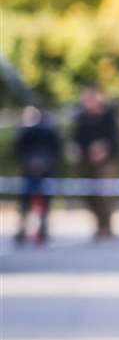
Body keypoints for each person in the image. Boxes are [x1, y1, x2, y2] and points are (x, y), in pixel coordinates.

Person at [72, 86, 119, 240]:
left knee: (105, 194)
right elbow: (77, 138)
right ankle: (98, 224)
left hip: (106, 161)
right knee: (89, 194)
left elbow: (115, 139)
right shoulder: (82, 118)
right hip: (86, 161)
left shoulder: (109, 116)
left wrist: (103, 149)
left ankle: (106, 227)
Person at [13, 105, 63, 245]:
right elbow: (19, 150)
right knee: (26, 201)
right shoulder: (26, 131)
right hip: (30, 171)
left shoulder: (48, 131)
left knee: (44, 201)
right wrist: (30, 163)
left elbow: (56, 150)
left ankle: (42, 228)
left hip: (45, 170)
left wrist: (43, 163)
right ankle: (24, 228)